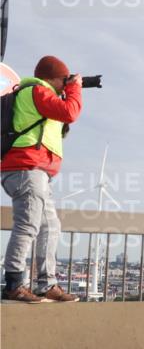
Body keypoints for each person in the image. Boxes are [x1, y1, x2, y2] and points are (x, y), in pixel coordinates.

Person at [1, 56, 82, 303]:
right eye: (63, 79)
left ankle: (47, 284)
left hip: (36, 171)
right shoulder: (37, 90)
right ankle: (14, 283)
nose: (64, 84)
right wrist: (75, 88)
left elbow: (61, 124)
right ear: (52, 77)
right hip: (27, 168)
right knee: (28, 225)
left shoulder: (42, 97)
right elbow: (70, 112)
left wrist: (67, 90)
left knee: (50, 226)